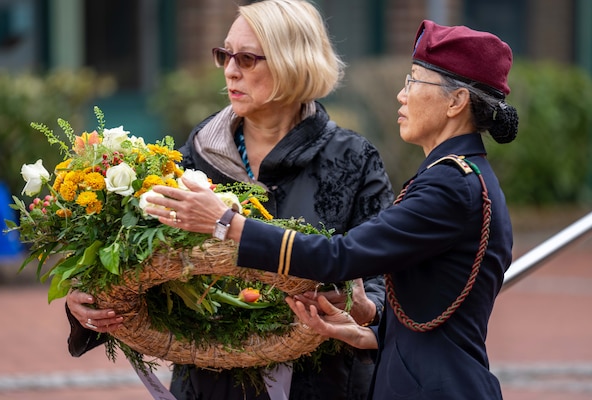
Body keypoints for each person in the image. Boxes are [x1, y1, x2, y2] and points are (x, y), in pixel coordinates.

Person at [146, 19, 519, 400]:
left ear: (456, 102)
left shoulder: (450, 185)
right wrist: (369, 333)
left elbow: (340, 256)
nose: (401, 95)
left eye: (414, 82)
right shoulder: (456, 177)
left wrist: (227, 222)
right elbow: (433, 314)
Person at [65, 0, 395, 399]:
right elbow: (138, 262)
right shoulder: (194, 159)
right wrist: (86, 301)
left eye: (247, 59)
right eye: (225, 54)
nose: (230, 70)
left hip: (320, 383)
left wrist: (364, 308)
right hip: (209, 382)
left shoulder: (352, 160)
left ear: (293, 64)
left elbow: (385, 280)